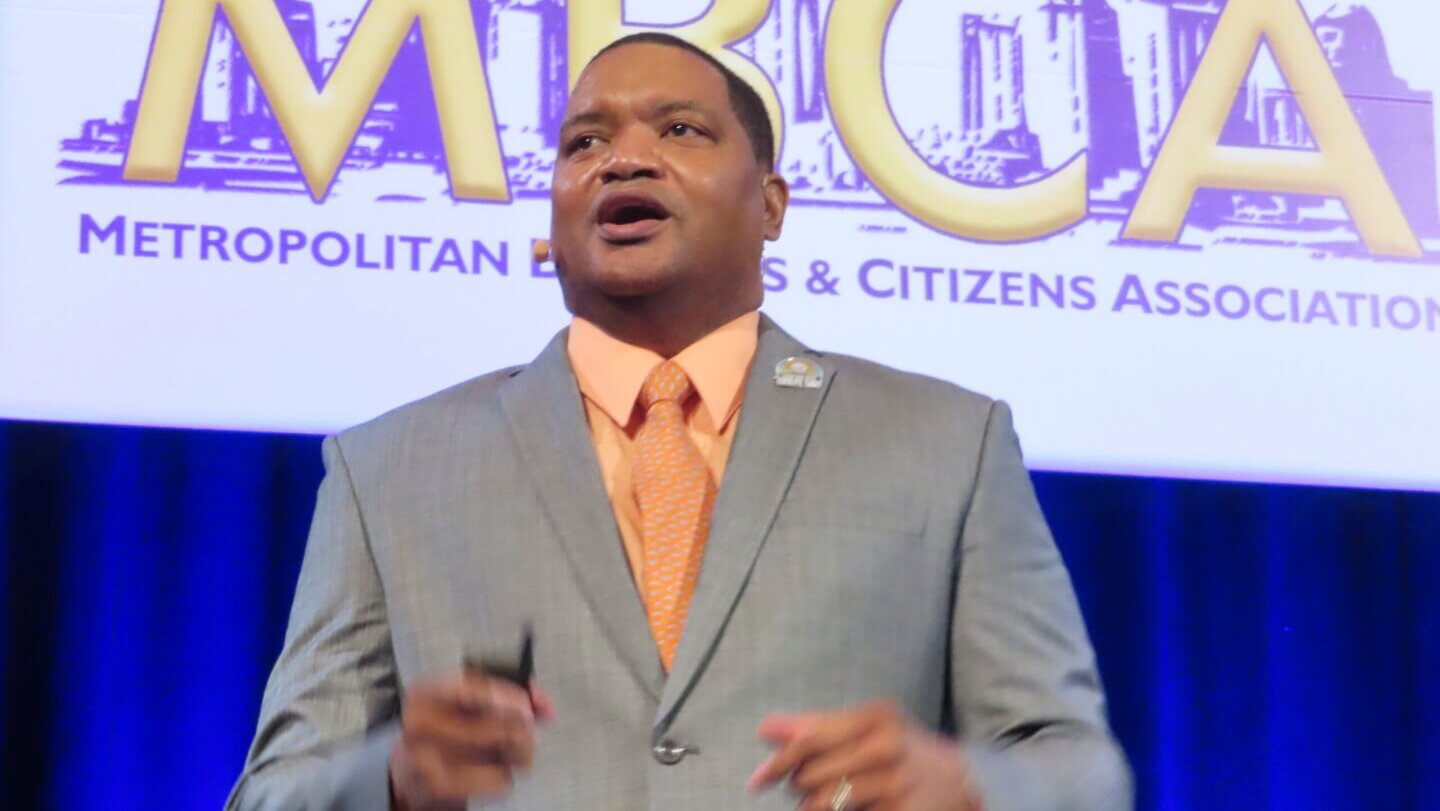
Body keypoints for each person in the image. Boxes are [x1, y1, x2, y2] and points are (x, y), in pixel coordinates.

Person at [228, 32, 1131, 811]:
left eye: (680, 130)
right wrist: (386, 776)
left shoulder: (947, 442)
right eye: (585, 141)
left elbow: (1081, 770)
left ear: (771, 203)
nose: (623, 159)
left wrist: (969, 782)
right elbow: (273, 789)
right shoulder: (389, 467)